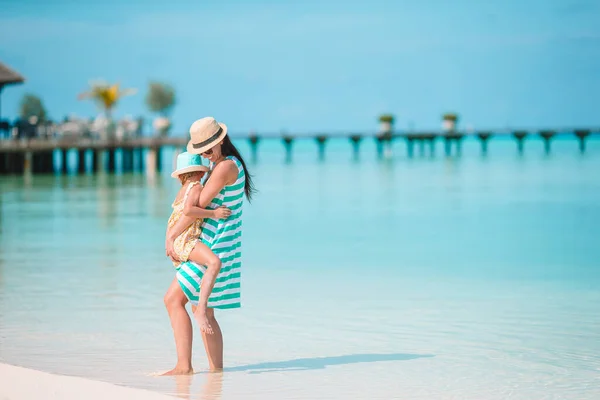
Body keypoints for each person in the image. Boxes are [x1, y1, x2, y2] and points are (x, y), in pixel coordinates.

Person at [163, 117, 256, 375]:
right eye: (201, 151)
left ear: (221, 141)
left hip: (214, 242)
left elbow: (196, 208)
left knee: (173, 300)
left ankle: (184, 367)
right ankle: (217, 374)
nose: (206, 155)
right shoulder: (227, 164)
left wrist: (171, 235)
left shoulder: (225, 167)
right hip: (217, 240)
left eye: (209, 149)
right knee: (201, 310)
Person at [166, 151, 231, 272]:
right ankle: (205, 291)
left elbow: (172, 220)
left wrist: (169, 240)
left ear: (180, 176)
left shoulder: (181, 192)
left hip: (177, 241)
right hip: (186, 241)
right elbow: (189, 210)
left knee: (192, 276)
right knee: (214, 263)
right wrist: (214, 213)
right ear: (201, 173)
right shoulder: (196, 187)